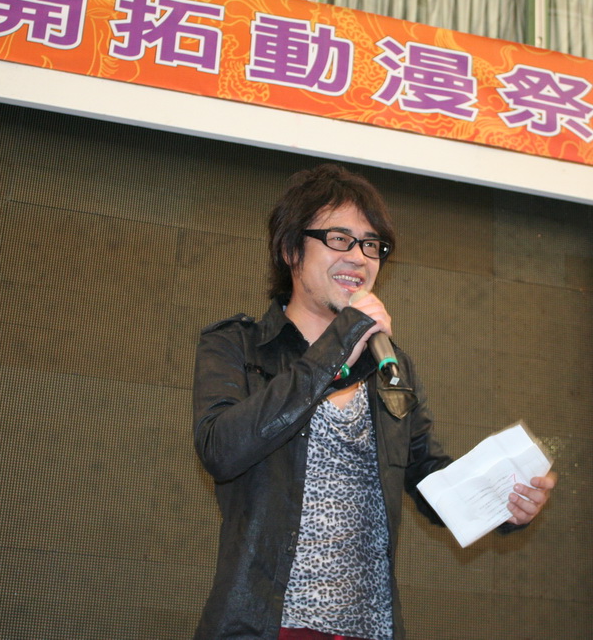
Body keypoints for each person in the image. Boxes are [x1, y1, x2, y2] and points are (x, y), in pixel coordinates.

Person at [191, 163, 557, 640]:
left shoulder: (389, 367)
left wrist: (504, 503)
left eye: (371, 245)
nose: (359, 258)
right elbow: (221, 449)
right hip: (266, 625)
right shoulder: (238, 346)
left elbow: (430, 482)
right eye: (339, 239)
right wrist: (337, 346)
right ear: (290, 250)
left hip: (370, 628)